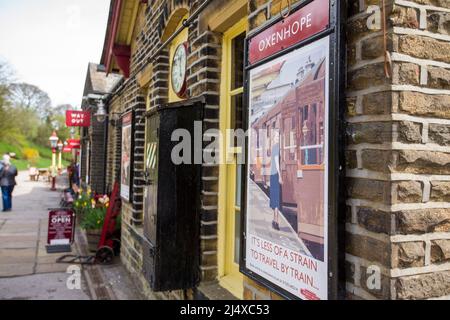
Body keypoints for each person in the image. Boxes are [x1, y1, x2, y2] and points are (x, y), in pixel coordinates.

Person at [269, 130, 282, 231]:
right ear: (274, 138)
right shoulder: (277, 147)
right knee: (276, 199)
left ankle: (274, 220)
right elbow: (277, 163)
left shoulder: (273, 148)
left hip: (272, 175)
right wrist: (280, 176)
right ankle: (276, 222)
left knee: (274, 199)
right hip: (275, 175)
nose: (278, 138)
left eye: (278, 137)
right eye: (277, 137)